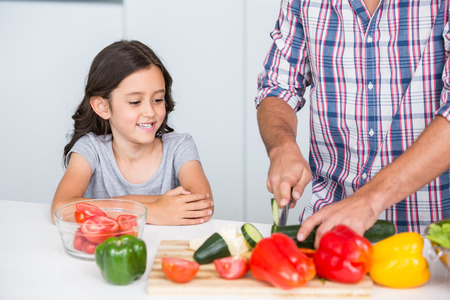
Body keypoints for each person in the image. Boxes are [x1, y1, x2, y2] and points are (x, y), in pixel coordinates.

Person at [255, 0, 450, 247]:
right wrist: (282, 147)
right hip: (330, 230)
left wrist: (369, 199)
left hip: (435, 242)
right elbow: (277, 86)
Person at [51, 40, 213, 225]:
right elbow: (61, 209)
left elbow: (202, 204)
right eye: (135, 102)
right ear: (103, 107)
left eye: (158, 99)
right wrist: (153, 210)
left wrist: (106, 206)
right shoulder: (90, 149)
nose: (150, 112)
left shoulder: (179, 147)